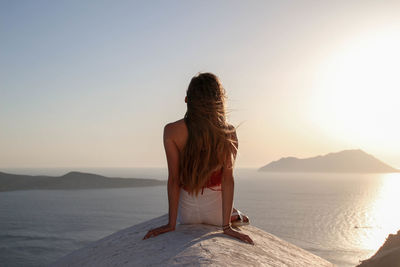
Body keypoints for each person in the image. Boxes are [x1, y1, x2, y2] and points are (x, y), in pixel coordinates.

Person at [143, 72, 253, 245]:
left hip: (186, 214)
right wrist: (226, 227)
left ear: (187, 99)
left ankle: (231, 214)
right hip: (217, 215)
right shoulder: (228, 132)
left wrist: (171, 224)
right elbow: (227, 180)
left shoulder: (171, 131)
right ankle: (232, 215)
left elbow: (174, 180)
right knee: (240, 215)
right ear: (218, 100)